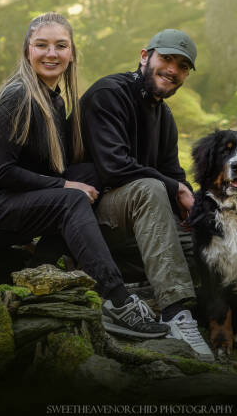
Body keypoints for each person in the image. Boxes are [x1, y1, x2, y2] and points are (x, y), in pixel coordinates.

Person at [0, 12, 168, 339]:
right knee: (71, 198)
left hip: (1, 200)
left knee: (92, 173)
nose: (52, 53)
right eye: (42, 45)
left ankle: (38, 272)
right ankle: (118, 300)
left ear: (72, 53)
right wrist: (65, 185)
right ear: (27, 51)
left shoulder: (53, 99)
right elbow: (3, 172)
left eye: (61, 46)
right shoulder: (18, 95)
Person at [80, 29, 214, 361]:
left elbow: (175, 176)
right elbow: (113, 168)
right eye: (166, 59)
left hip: (142, 222)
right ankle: (174, 315)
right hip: (91, 219)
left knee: (210, 238)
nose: (173, 70)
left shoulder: (164, 117)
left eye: (182, 66)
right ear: (145, 56)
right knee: (151, 189)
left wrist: (200, 213)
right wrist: (175, 189)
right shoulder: (108, 94)